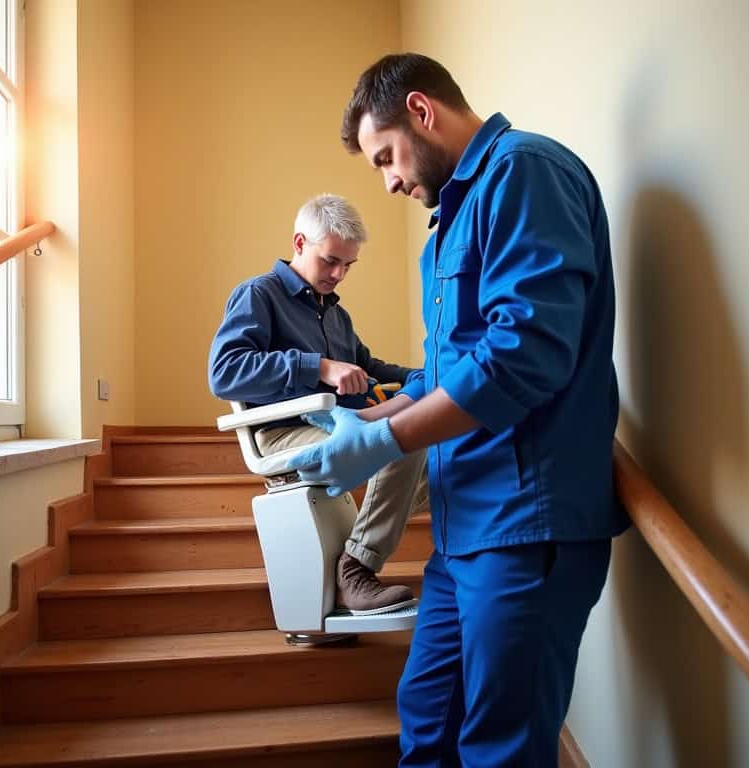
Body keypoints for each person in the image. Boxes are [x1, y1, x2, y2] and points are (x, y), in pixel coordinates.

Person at [289, 54, 631, 766]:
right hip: (463, 525)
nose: (388, 180)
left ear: (421, 111)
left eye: (386, 156)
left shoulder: (523, 172)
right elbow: (444, 372)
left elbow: (523, 355)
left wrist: (384, 447)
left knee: (498, 748)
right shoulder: (450, 220)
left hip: (524, 524)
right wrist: (367, 425)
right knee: (427, 718)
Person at [208, 193, 428, 615]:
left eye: (348, 265)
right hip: (279, 432)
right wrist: (319, 367)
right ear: (299, 243)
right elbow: (224, 371)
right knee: (402, 438)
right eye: (330, 261)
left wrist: (421, 376)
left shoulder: (335, 314)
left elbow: (367, 366)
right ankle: (357, 568)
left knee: (440, 448)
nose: (339, 273)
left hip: (336, 423)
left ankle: (375, 544)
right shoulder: (259, 294)